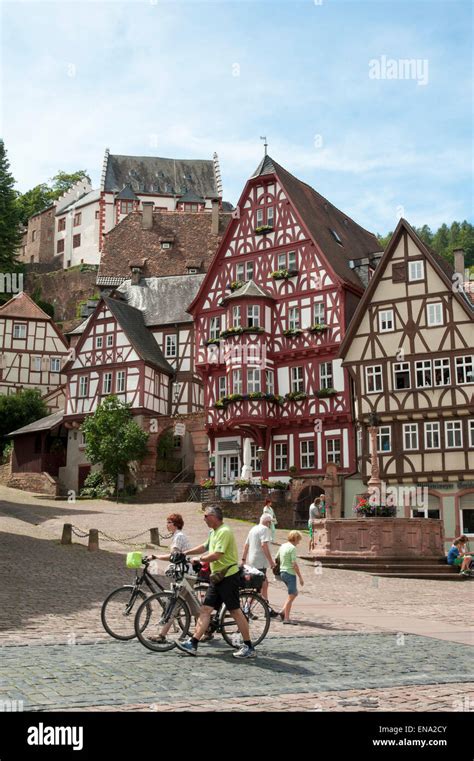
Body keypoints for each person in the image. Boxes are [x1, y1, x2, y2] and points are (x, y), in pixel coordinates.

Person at [176, 505, 257, 659]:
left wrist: (199, 559)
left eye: (205, 516)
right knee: (205, 610)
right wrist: (185, 553)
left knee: (235, 611)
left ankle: (248, 646)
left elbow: (217, 554)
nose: (204, 518)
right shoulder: (213, 532)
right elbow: (204, 547)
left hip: (228, 576)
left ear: (213, 516)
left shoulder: (225, 531)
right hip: (217, 577)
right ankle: (193, 643)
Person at [145, 513, 200, 643]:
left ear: (175, 524)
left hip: (186, 575)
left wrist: (156, 557)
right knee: (195, 608)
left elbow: (173, 556)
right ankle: (207, 628)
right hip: (186, 574)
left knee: (174, 603)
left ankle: (162, 635)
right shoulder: (177, 536)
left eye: (169, 522)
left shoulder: (179, 537)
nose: (167, 524)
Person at [241, 514, 278, 616]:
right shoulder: (265, 529)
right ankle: (247, 608)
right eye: (270, 523)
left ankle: (267, 608)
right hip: (260, 562)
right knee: (259, 586)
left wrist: (244, 559)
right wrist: (271, 561)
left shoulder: (253, 529)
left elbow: (246, 545)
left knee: (264, 584)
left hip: (252, 560)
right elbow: (264, 545)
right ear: (268, 522)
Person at [276, 530, 304, 624]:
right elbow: (294, 564)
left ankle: (283, 611)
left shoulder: (282, 546)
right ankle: (286, 618)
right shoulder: (292, 548)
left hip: (282, 572)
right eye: (298, 540)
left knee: (294, 593)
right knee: (291, 595)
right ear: (295, 539)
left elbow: (277, 558)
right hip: (290, 573)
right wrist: (300, 577)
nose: (299, 542)